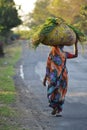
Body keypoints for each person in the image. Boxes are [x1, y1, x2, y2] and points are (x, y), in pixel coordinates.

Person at [43, 39, 78, 115]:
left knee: (59, 92)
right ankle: (56, 108)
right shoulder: (52, 54)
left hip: (60, 77)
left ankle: (57, 110)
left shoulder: (63, 54)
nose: (61, 47)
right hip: (56, 77)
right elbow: (48, 66)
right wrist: (45, 78)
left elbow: (75, 55)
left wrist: (76, 44)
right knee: (54, 92)